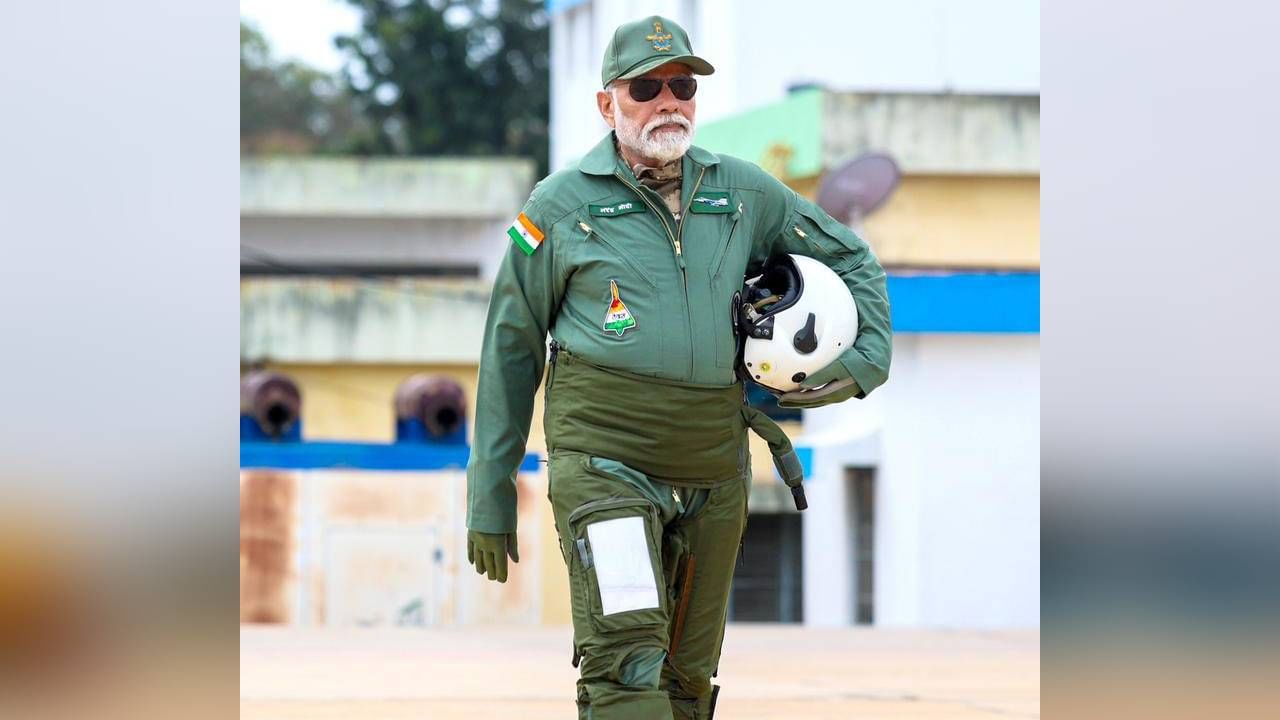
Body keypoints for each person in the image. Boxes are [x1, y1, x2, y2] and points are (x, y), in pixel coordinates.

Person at [465, 15, 892, 719]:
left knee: (687, 683)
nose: (669, 101)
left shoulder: (746, 194)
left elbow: (849, 256)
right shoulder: (557, 207)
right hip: (605, 457)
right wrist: (489, 489)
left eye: (683, 85)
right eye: (647, 87)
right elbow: (511, 344)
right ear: (608, 103)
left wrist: (868, 356)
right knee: (627, 665)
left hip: (711, 467)